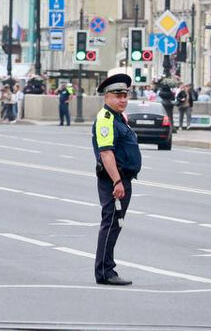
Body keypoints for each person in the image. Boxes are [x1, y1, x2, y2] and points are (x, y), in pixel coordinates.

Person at [91, 69, 141, 286]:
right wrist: (117, 181)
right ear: (107, 97)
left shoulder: (119, 117)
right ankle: (105, 271)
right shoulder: (106, 119)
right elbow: (106, 152)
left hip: (122, 179)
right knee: (111, 223)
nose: (123, 99)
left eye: (125, 95)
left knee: (114, 224)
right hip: (114, 181)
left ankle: (106, 268)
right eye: (118, 96)